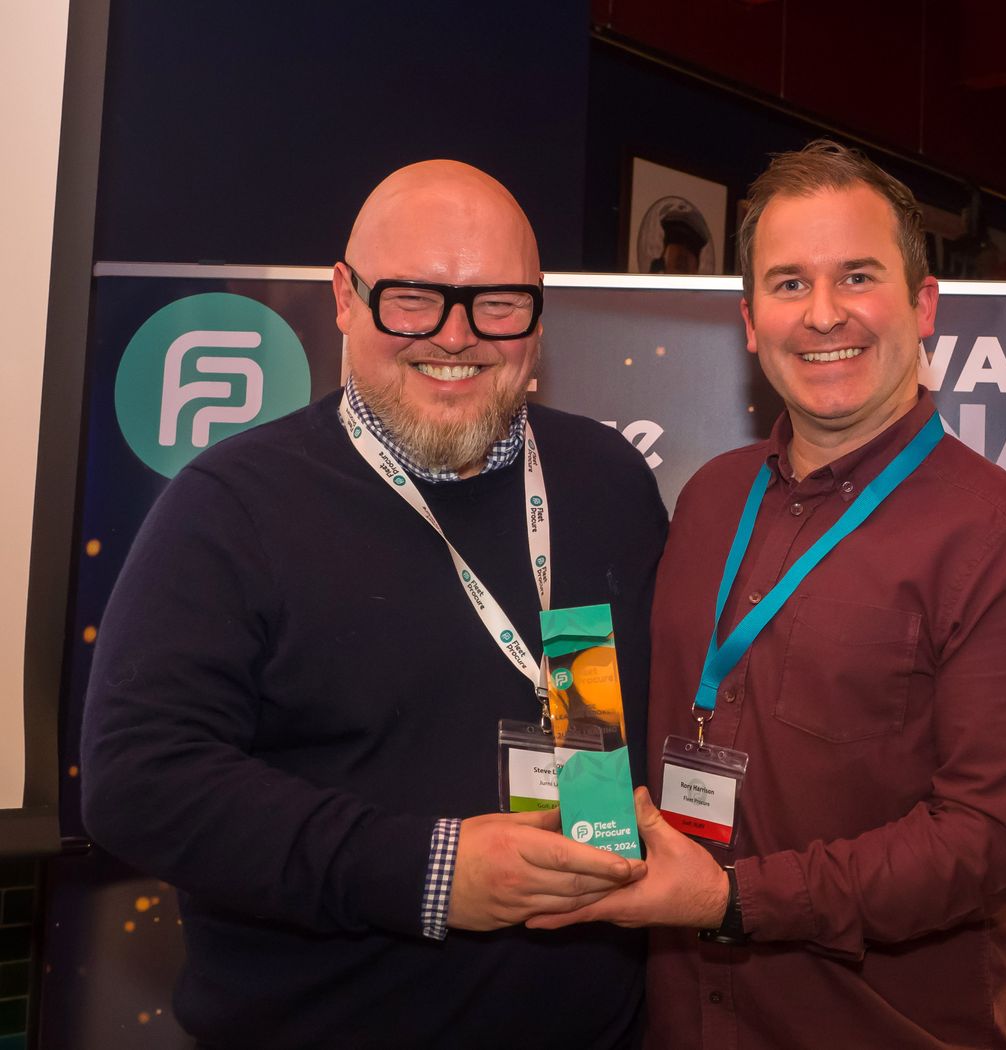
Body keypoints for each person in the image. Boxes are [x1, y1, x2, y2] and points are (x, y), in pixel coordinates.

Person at [81, 160, 669, 1048]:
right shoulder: (232, 506)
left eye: (497, 303)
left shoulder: (607, 480)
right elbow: (139, 780)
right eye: (413, 299)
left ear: (538, 316)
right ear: (345, 299)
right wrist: (432, 872)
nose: (456, 336)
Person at [529, 141, 1006, 1049]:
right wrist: (574, 810)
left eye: (857, 277)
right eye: (789, 283)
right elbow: (626, 693)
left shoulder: (1004, 539)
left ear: (923, 304)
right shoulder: (709, 498)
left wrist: (731, 899)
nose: (824, 313)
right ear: (750, 321)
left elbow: (987, 844)